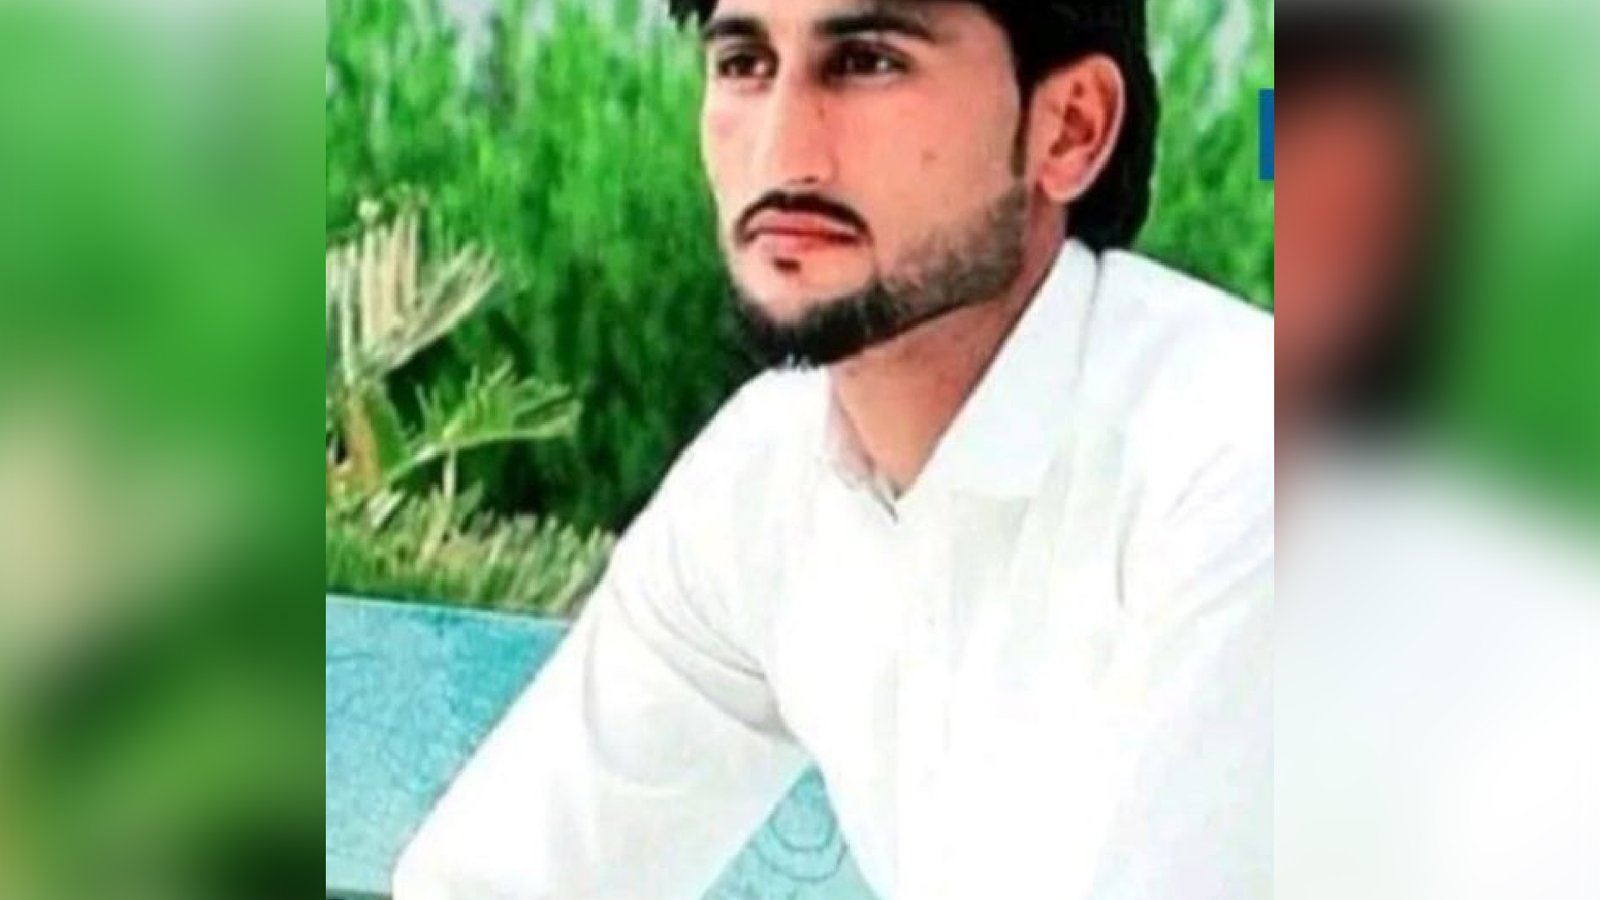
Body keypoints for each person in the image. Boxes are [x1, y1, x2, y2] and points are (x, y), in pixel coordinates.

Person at [394, 1, 1272, 897]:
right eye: (744, 64)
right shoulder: (766, 477)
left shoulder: (1245, 462)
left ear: (1070, 127)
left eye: (867, 62)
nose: (782, 156)